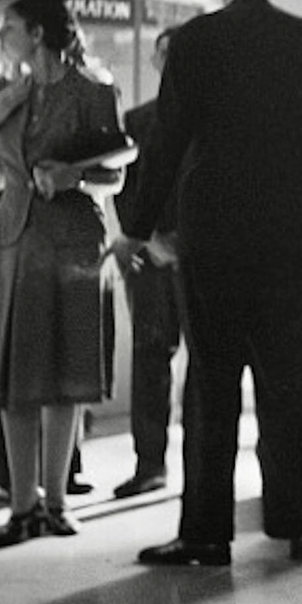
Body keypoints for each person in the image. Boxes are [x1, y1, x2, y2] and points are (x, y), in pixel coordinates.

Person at [122, 0, 302, 569]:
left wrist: (137, 228)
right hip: (289, 232)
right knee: (288, 378)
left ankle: (207, 533)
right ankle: (300, 523)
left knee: (212, 383)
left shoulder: (196, 43)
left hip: (213, 234)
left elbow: (166, 142)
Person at [0, 0, 129, 547]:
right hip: (15, 241)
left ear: (38, 33)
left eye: (10, 29)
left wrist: (72, 177)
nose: (2, 38)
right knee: (15, 381)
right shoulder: (7, 95)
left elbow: (116, 173)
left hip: (71, 244)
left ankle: (56, 502)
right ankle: (23, 507)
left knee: (65, 378)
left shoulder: (94, 92)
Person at [110, 26, 182, 499]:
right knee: (153, 357)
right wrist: (149, 238)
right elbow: (124, 189)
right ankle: (151, 462)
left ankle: (157, 464)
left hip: (171, 254)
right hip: (161, 255)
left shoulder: (142, 122)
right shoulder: (138, 122)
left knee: (160, 359)